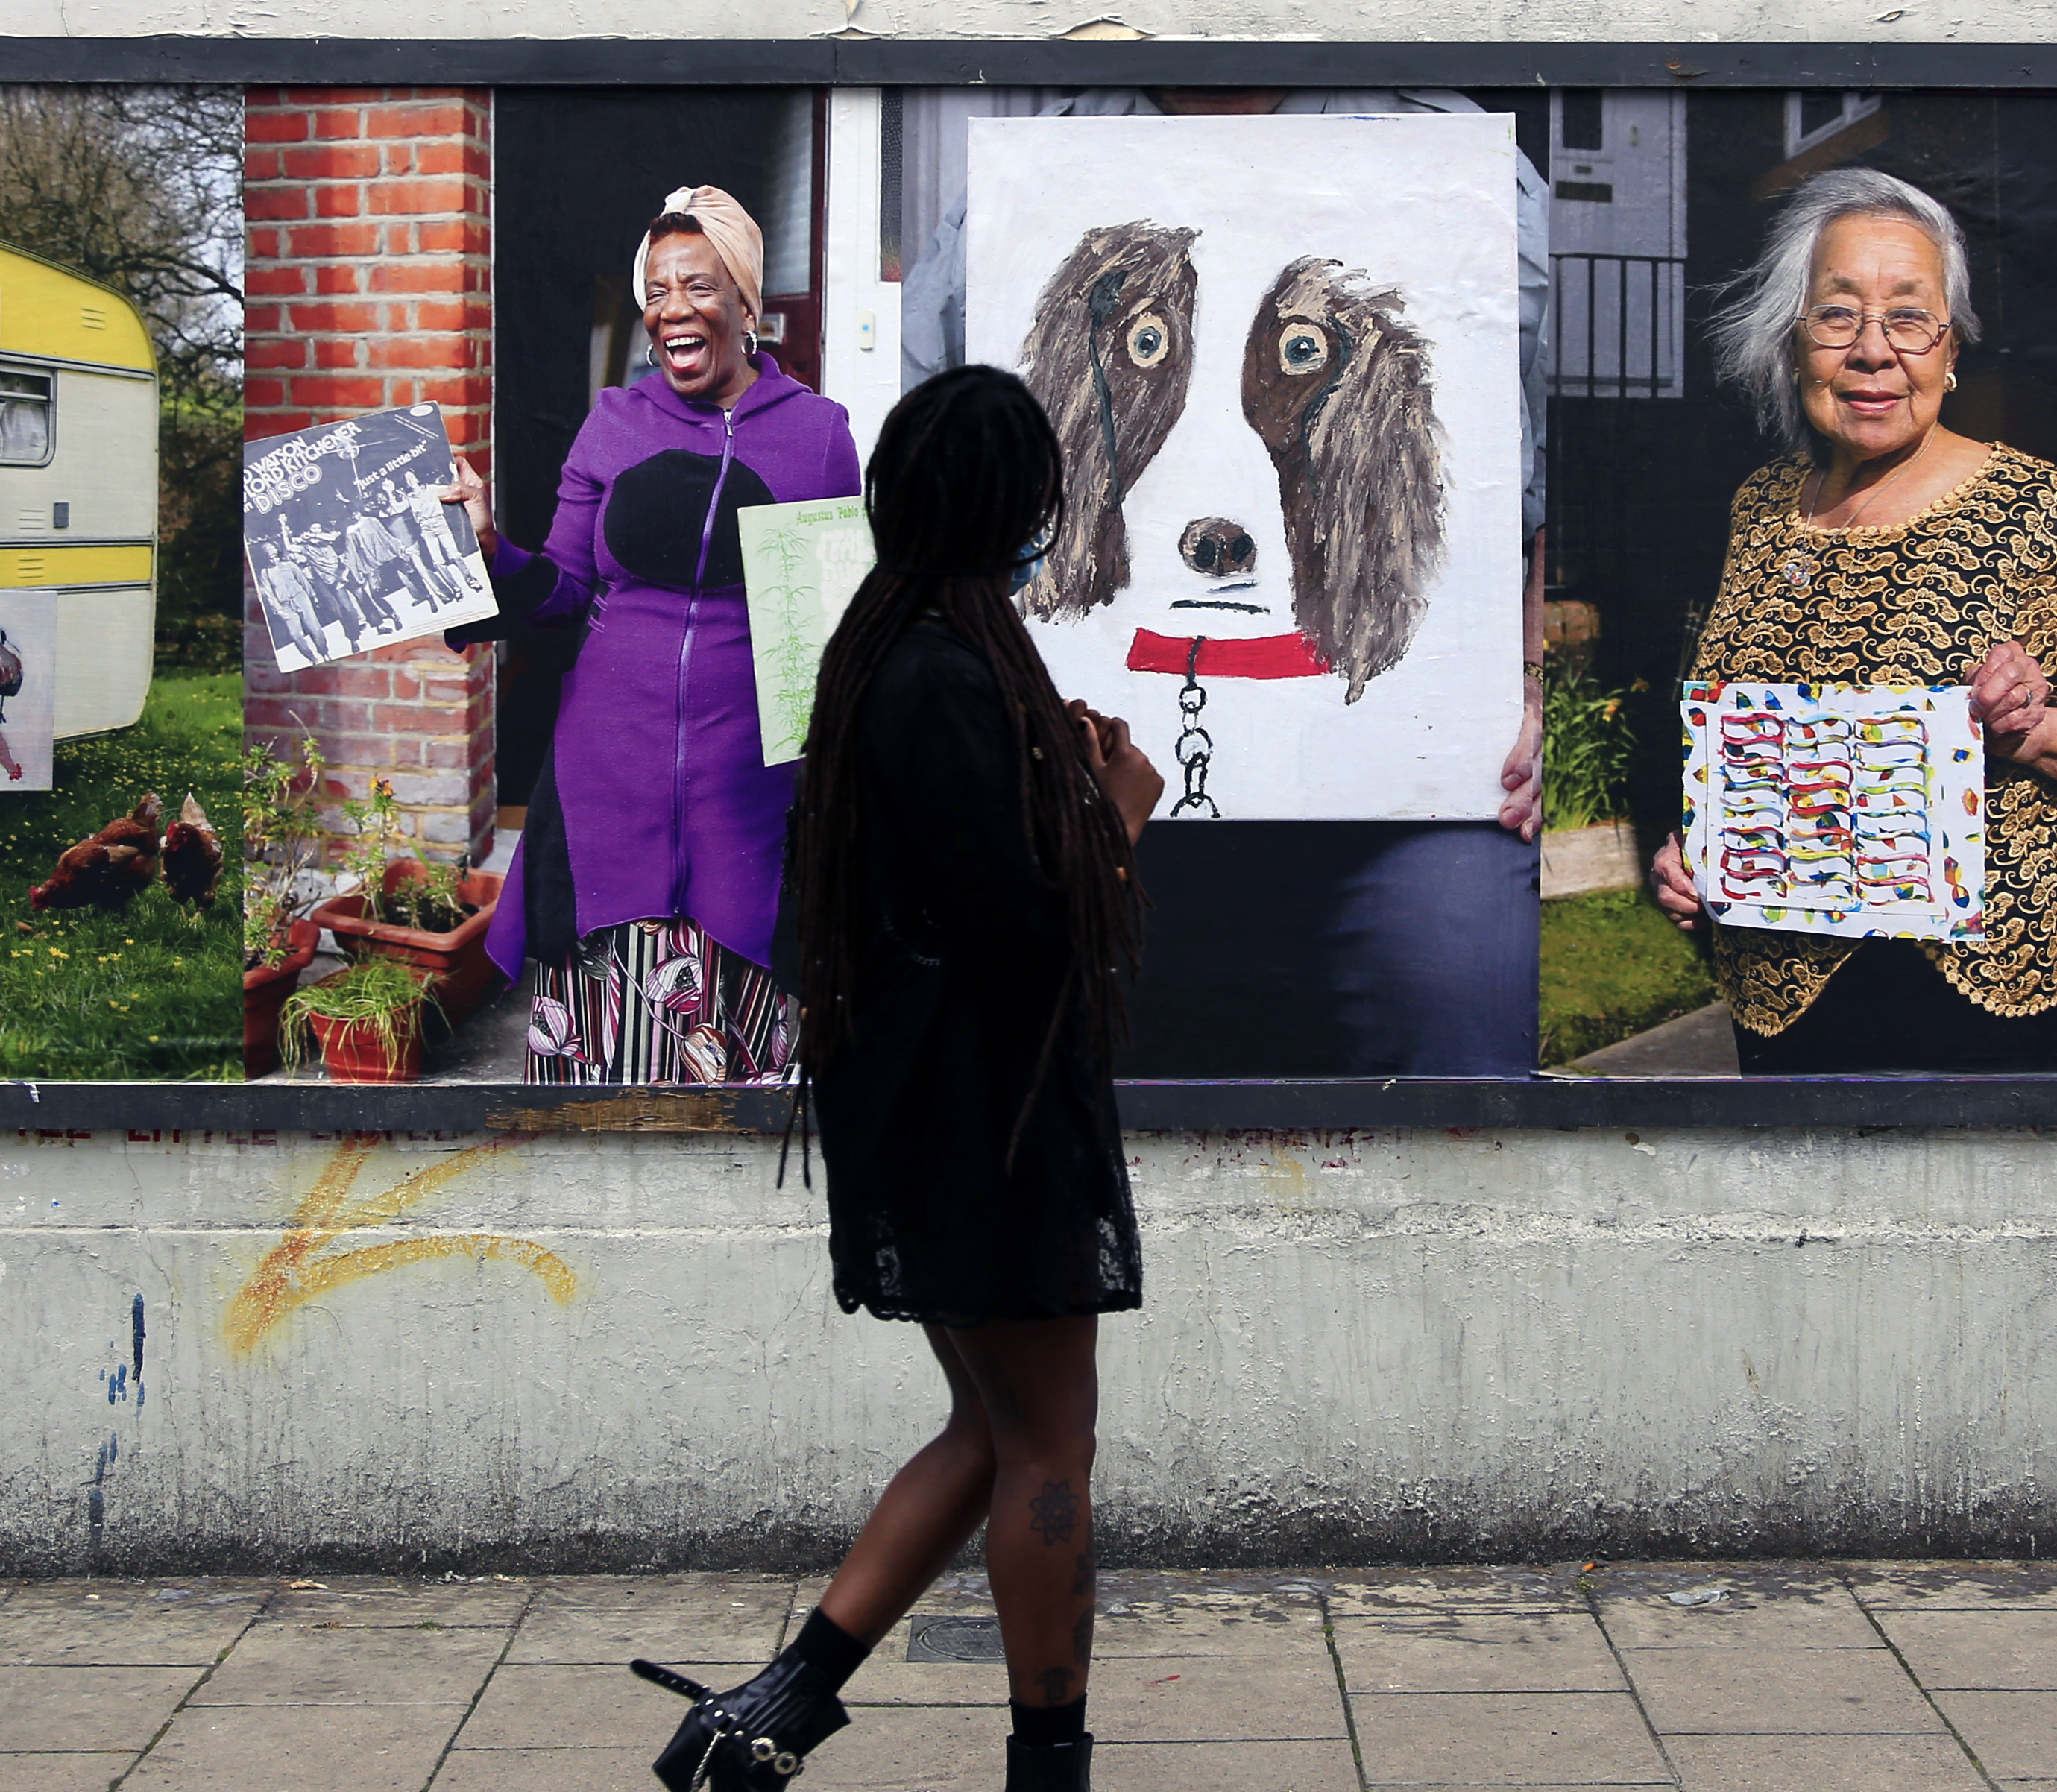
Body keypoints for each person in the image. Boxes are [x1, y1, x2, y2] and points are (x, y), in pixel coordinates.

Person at [630, 365, 1161, 1792]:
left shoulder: (908, 643)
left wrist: (1051, 773)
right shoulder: (938, 668)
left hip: (940, 1113)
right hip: (976, 1124)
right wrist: (1113, 817)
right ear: (1013, 510)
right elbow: (1022, 926)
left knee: (990, 1426)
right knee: (1049, 1439)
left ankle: (769, 1716)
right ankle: (1047, 1767)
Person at [898, 88, 1550, 1076]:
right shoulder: (1034, 170)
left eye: (1304, 355)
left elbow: (1527, 495)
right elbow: (934, 503)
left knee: (1466, 962)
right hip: (1080, 769)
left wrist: (1532, 685)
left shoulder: (1460, 163)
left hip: (1399, 791)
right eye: (1142, 345)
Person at [1648, 168, 2057, 1067]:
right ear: (1793, 340)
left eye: (1908, 316)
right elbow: (1745, 740)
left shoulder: (2030, 508)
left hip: (1973, 997)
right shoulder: (1761, 507)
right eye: (1838, 313)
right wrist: (1701, 850)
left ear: (1952, 349)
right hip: (1778, 998)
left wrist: (2032, 727)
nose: (1872, 351)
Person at [443, 184, 859, 1085]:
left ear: (746, 306)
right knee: (603, 1071)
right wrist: (488, 548)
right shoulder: (613, 424)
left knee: (737, 1055)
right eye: (659, 289)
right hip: (605, 777)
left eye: (701, 287)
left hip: (748, 788)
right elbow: (559, 592)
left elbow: (829, 636)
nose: (675, 308)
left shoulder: (819, 439)